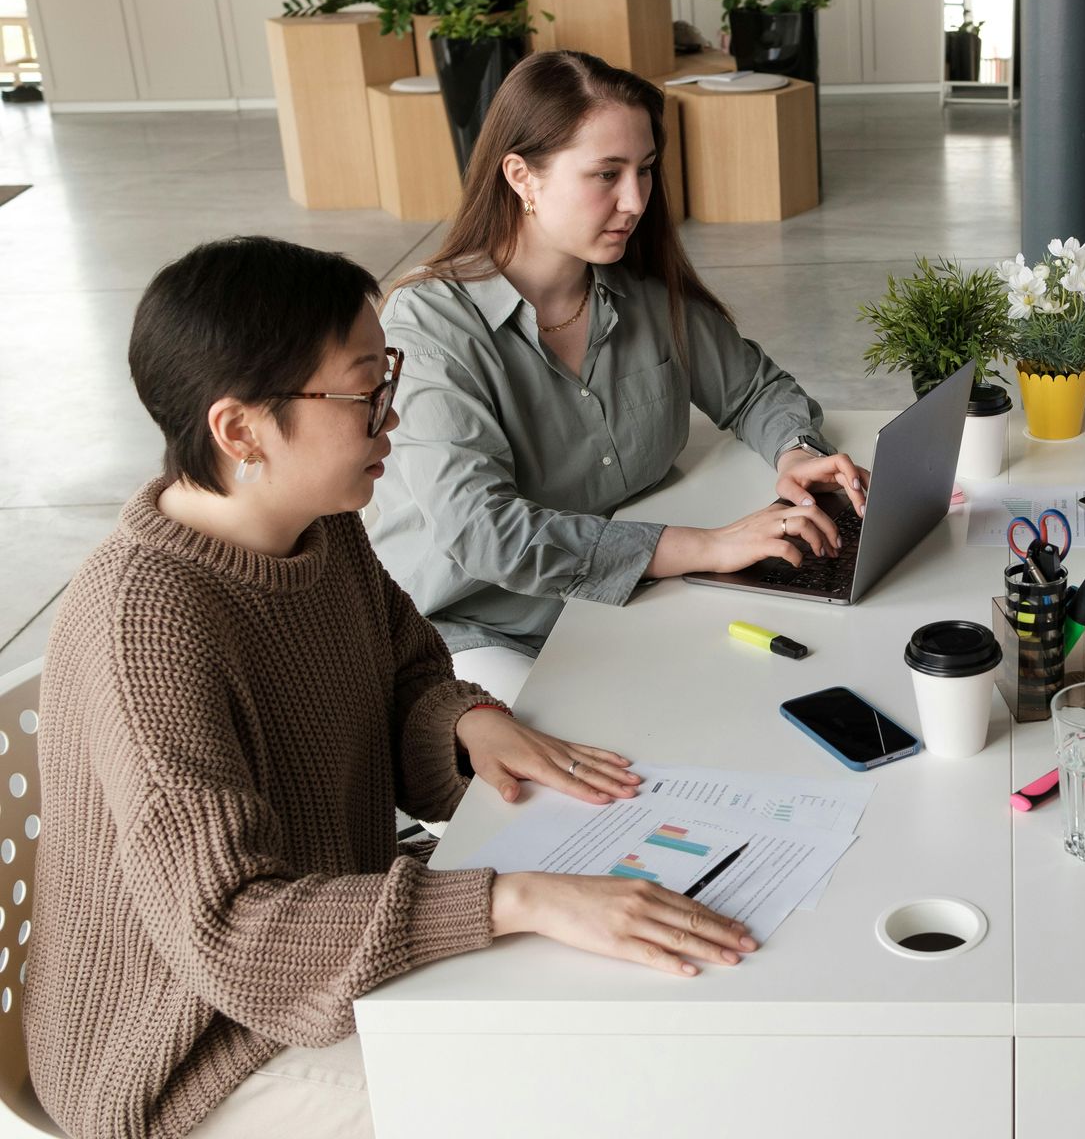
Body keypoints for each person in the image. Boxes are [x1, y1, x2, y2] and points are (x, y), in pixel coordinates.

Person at [25, 238, 758, 1139]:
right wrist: (515, 899)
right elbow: (231, 928)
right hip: (191, 1051)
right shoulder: (143, 627)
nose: (392, 417)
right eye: (361, 392)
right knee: (557, 1094)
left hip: (327, 955)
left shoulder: (320, 529)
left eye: (389, 377)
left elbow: (407, 671)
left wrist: (464, 723)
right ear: (240, 429)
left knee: (623, 1015)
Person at [370, 50, 868, 703]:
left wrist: (794, 450)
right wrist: (707, 546)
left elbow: (755, 390)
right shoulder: (431, 323)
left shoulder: (640, 292)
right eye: (606, 174)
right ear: (522, 176)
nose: (634, 201)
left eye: (645, 171)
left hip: (630, 601)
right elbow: (484, 535)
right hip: (476, 630)